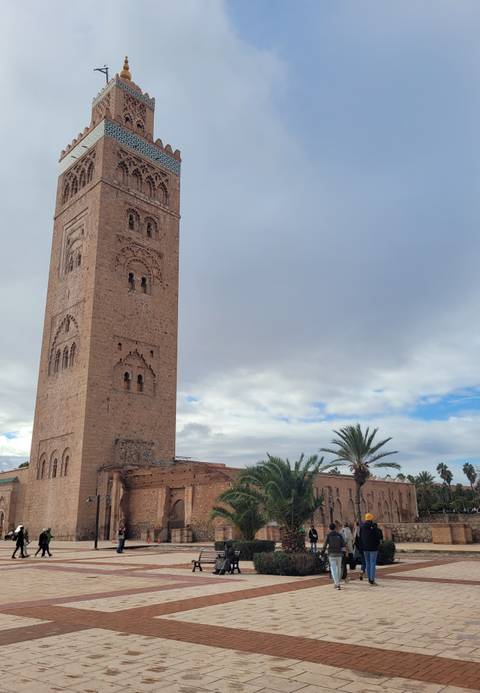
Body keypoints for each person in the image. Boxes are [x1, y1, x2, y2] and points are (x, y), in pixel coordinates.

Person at [359, 513, 383, 585]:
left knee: (367, 563)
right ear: (371, 519)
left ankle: (369, 578)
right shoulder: (375, 527)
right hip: (373, 548)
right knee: (372, 563)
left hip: (365, 548)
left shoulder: (362, 527)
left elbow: (360, 538)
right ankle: (371, 579)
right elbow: (379, 537)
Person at [321, 522, 346, 590]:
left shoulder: (328, 535)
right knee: (339, 568)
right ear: (335, 528)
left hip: (331, 554)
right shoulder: (339, 535)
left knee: (333, 569)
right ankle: (337, 582)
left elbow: (325, 545)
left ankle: (337, 584)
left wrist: (322, 553)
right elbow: (343, 544)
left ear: (329, 528)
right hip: (339, 553)